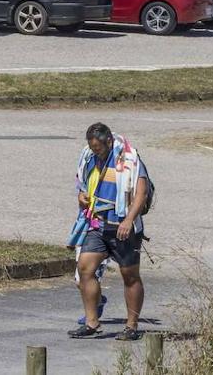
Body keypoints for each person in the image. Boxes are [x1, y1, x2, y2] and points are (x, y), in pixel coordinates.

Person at [67, 122, 149, 341]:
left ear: (109, 142)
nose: (96, 151)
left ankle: (131, 326)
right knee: (85, 269)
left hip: (123, 226)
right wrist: (81, 197)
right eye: (93, 148)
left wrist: (129, 220)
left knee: (129, 275)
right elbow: (83, 184)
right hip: (97, 224)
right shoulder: (89, 157)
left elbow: (141, 193)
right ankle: (92, 322)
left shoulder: (130, 159)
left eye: (99, 148)